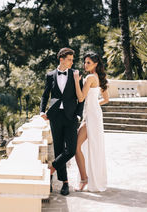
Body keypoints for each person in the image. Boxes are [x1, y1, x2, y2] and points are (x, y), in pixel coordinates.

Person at [40, 47, 84, 196]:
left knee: (70, 149)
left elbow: (81, 98)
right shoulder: (50, 75)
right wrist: (42, 111)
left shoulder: (75, 75)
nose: (72, 62)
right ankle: (64, 183)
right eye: (70, 59)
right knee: (59, 149)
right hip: (55, 116)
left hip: (71, 117)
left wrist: (78, 115)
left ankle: (50, 170)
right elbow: (45, 95)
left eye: (72, 59)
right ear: (61, 59)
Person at [73, 52, 109, 192]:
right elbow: (106, 99)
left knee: (76, 147)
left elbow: (81, 97)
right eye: (85, 62)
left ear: (95, 64)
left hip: (91, 117)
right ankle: (86, 178)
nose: (85, 64)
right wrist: (93, 105)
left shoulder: (89, 77)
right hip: (94, 115)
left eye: (88, 62)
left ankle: (84, 179)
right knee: (86, 146)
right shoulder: (99, 77)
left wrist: (76, 80)